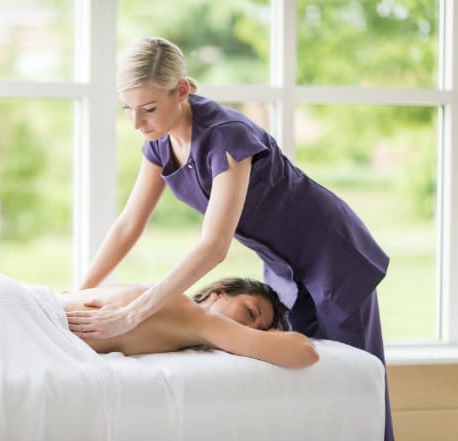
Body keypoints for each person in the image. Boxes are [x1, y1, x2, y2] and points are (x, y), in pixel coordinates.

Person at [65, 37, 393, 441]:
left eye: (149, 109)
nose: (137, 123)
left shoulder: (226, 136)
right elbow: (128, 225)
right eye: (128, 110)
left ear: (182, 90)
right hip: (281, 266)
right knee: (302, 384)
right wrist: (73, 296)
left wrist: (133, 314)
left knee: (354, 382)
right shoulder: (160, 142)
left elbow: (214, 246)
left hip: (333, 254)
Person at [62, 275, 319, 368]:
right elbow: (305, 353)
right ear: (217, 292)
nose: (250, 331)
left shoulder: (165, 303)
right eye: (250, 313)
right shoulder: (195, 315)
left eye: (262, 330)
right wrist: (276, 336)